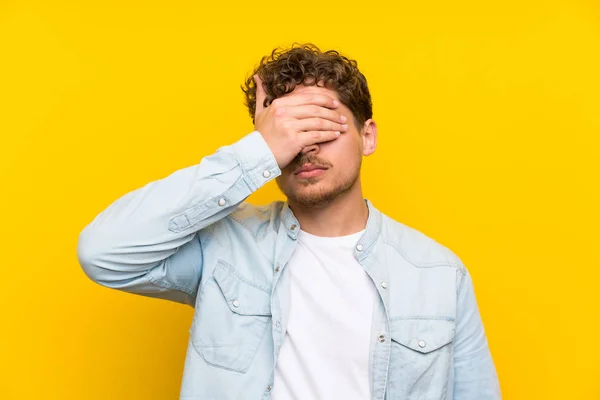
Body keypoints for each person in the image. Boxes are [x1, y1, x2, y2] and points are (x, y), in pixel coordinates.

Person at [77, 43, 501, 400]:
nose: (305, 148)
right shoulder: (224, 248)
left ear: (366, 136)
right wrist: (256, 154)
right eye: (290, 133)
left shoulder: (439, 273)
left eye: (322, 127)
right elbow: (103, 253)